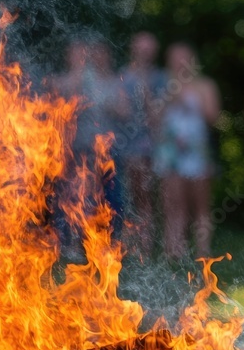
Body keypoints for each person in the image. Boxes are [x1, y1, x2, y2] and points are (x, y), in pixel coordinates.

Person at [50, 39, 128, 255]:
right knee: (73, 196)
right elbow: (60, 100)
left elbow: (125, 111)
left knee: (110, 197)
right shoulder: (65, 80)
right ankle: (71, 244)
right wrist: (79, 73)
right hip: (75, 149)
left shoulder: (112, 82)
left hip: (107, 151)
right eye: (78, 54)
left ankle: (107, 244)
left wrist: (107, 103)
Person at [154, 42, 220, 260]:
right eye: (175, 57)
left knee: (201, 203)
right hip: (171, 151)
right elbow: (152, 120)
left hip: (197, 151)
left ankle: (203, 250)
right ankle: (173, 250)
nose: (179, 62)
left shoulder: (205, 85)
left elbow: (213, 117)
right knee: (172, 203)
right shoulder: (162, 85)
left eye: (184, 57)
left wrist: (190, 98)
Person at [117, 32, 166, 258]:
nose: (145, 53)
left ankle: (148, 248)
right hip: (124, 147)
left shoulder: (162, 79)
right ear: (133, 49)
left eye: (149, 49)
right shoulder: (123, 77)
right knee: (128, 197)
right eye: (141, 48)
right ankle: (128, 246)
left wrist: (147, 97)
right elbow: (119, 113)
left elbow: (159, 117)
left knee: (148, 197)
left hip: (155, 148)